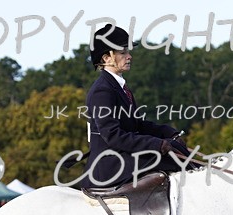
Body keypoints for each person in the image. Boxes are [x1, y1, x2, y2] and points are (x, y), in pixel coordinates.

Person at [81, 24, 191, 189]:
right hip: (109, 164)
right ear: (106, 58)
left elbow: (137, 125)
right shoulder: (102, 91)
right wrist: (156, 144)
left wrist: (169, 133)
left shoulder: (119, 86)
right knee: (173, 158)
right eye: (123, 52)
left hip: (122, 156)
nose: (129, 56)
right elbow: (113, 136)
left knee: (176, 148)